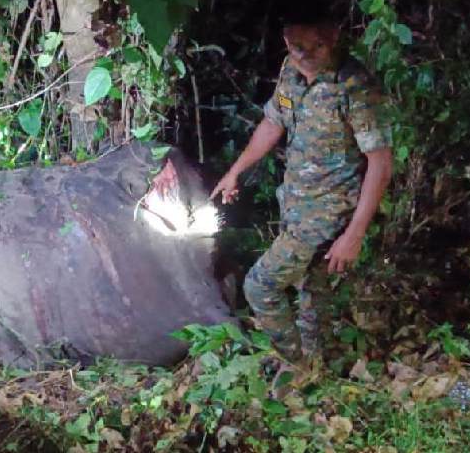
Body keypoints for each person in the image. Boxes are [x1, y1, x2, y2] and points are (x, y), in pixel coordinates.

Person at [154, 20, 392, 365]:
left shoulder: (354, 86)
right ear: (285, 40)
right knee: (312, 292)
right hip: (296, 201)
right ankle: (317, 368)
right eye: (296, 47)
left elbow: (380, 164)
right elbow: (273, 123)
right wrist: (235, 172)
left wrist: (353, 235)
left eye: (316, 48)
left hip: (330, 211)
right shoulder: (291, 72)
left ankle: (295, 365)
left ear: (334, 36)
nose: (305, 57)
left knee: (260, 286)